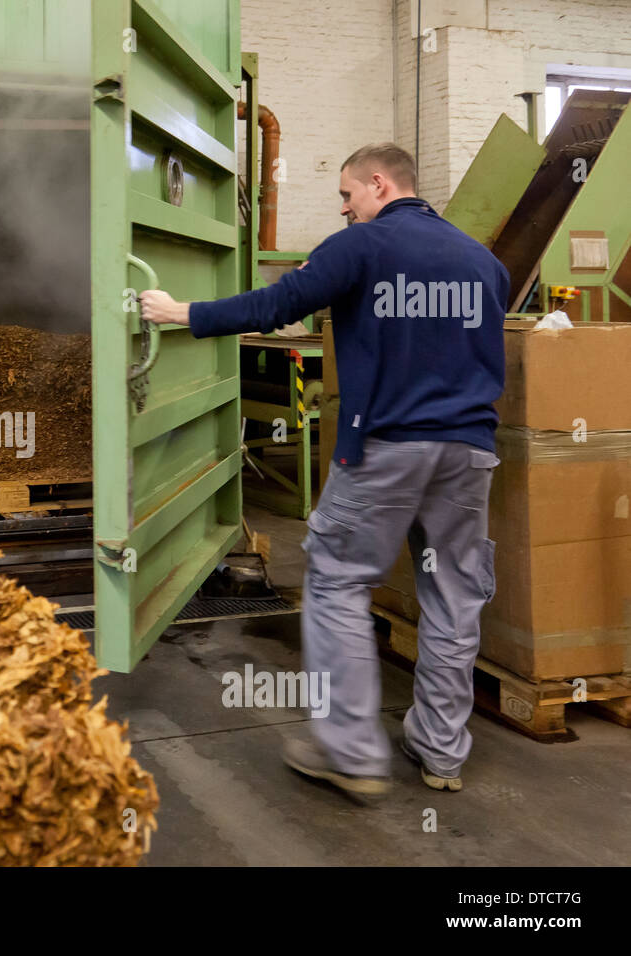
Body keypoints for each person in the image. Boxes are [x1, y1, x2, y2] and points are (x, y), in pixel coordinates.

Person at [140, 142, 508, 799]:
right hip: (470, 452)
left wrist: (178, 313)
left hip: (389, 448)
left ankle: (353, 752)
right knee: (454, 600)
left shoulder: (362, 245)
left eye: (346, 195)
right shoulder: (483, 261)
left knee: (338, 583)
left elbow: (272, 308)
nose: (343, 209)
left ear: (377, 183)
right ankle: (441, 753)